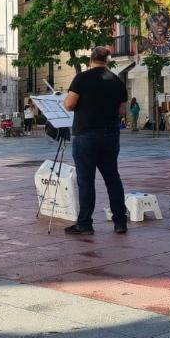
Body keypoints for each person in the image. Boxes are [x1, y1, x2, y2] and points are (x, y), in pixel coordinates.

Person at [63, 46, 128, 235]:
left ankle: (84, 223)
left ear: (90, 59)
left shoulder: (82, 78)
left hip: (86, 134)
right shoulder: (116, 80)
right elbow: (122, 111)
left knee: (86, 180)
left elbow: (69, 104)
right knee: (112, 178)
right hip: (110, 134)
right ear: (107, 60)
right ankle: (120, 222)